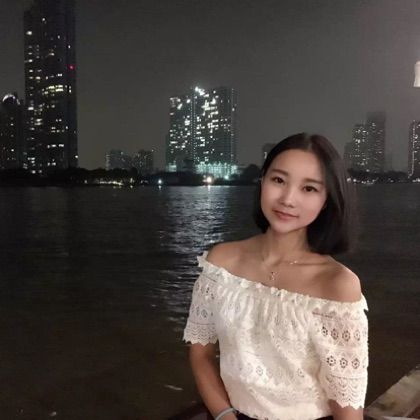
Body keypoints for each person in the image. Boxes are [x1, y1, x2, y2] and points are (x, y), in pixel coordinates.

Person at [182, 133, 369, 420]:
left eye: (309, 188)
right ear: (263, 181)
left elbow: (347, 401)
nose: (288, 199)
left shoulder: (336, 284)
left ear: (326, 200)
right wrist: (225, 415)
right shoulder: (221, 263)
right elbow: (201, 355)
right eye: (279, 180)